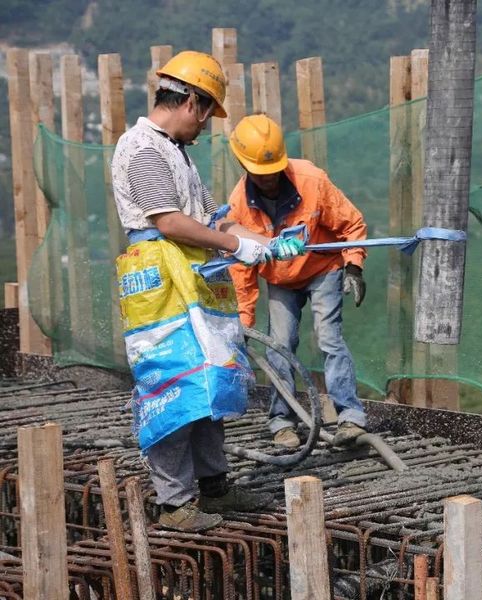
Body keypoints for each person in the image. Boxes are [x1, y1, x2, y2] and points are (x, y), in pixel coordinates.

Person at [111, 51, 275, 532]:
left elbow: (206, 213)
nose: (206, 128)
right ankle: (175, 502)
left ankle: (213, 487)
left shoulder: (174, 150)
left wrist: (260, 239)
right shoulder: (142, 148)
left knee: (210, 378)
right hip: (161, 280)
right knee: (172, 384)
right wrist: (234, 243)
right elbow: (170, 221)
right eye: (208, 116)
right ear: (196, 106)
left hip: (192, 276)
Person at [226, 113, 369, 448]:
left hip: (323, 269)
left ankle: (350, 417)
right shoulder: (238, 208)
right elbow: (242, 270)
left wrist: (354, 266)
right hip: (279, 278)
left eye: (273, 171)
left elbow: (351, 224)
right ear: (244, 166)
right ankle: (282, 421)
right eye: (261, 175)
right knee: (279, 345)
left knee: (329, 337)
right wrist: (243, 323)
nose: (269, 180)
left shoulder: (311, 180)